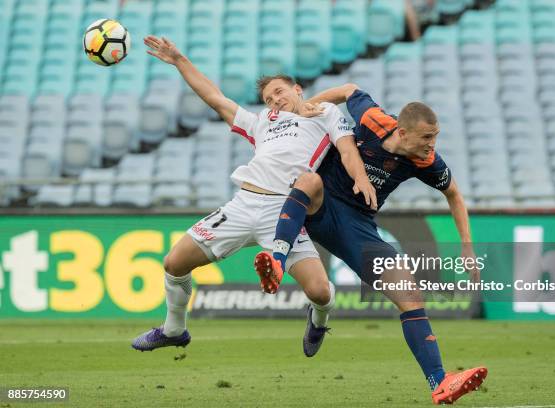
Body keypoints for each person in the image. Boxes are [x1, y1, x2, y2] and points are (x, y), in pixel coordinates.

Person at [132, 37, 377, 357]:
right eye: (268, 98)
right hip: (243, 204)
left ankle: (319, 319)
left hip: (286, 209)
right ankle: (174, 329)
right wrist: (180, 60)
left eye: (279, 92)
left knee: (318, 291)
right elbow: (215, 98)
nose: (274, 100)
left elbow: (346, 148)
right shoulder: (262, 123)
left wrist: (361, 178)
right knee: (174, 263)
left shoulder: (324, 113)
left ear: (298, 89)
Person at [254, 84, 487, 405]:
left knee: (410, 294)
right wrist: (306, 106)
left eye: (435, 136)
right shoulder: (374, 119)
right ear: (402, 132)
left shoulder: (427, 160)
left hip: (357, 226)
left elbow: (454, 195)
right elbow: (349, 90)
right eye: (426, 137)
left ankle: (439, 382)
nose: (432, 145)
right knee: (308, 179)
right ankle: (276, 261)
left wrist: (467, 246)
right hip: (318, 201)